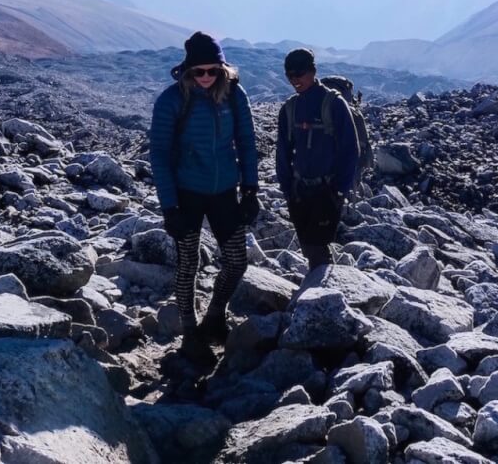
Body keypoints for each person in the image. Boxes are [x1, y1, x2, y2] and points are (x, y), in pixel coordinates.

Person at [148, 32, 260, 359]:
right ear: (187, 71)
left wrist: (250, 189)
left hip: (225, 190)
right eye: (200, 71)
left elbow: (247, 141)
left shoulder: (235, 95)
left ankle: (214, 314)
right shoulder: (171, 101)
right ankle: (190, 330)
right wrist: (170, 207)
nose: (207, 77)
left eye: (214, 70)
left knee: (237, 261)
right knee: (188, 264)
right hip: (187, 193)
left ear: (224, 70)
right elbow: (159, 154)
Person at [275, 47, 358, 270]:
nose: (295, 80)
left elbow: (351, 150)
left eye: (299, 73)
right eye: (290, 75)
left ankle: (321, 293)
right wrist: (287, 189)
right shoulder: (290, 108)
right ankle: (322, 285)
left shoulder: (334, 104)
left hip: (327, 190)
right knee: (309, 246)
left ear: (313, 71)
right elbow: (282, 151)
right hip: (299, 191)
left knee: (316, 246)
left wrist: (339, 190)